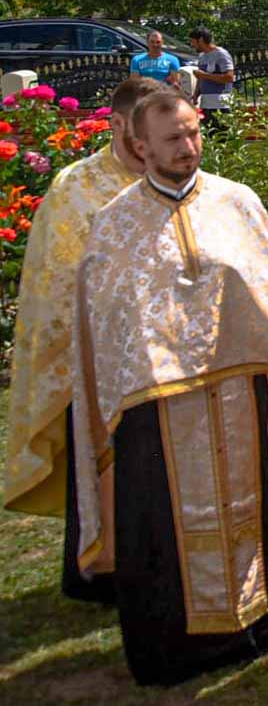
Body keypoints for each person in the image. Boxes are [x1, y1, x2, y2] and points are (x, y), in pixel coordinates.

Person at [70, 90, 268, 684]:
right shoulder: (115, 224)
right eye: (172, 139)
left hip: (238, 390)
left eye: (193, 133)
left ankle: (257, 626)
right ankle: (174, 650)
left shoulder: (236, 204)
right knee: (163, 524)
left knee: (245, 507)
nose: (188, 147)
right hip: (157, 407)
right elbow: (107, 324)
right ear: (139, 146)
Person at [3, 76, 168, 601]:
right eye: (138, 134)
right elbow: (58, 284)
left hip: (168, 359)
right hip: (98, 362)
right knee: (105, 469)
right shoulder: (76, 189)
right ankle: (101, 570)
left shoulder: (176, 177)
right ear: (118, 125)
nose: (147, 146)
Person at [189, 27, 235, 126]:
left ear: (200, 40)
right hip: (205, 105)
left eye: (193, 41)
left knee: (222, 138)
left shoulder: (221, 54)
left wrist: (204, 75)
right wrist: (196, 95)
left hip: (221, 105)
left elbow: (229, 77)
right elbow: (201, 78)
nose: (192, 45)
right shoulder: (202, 57)